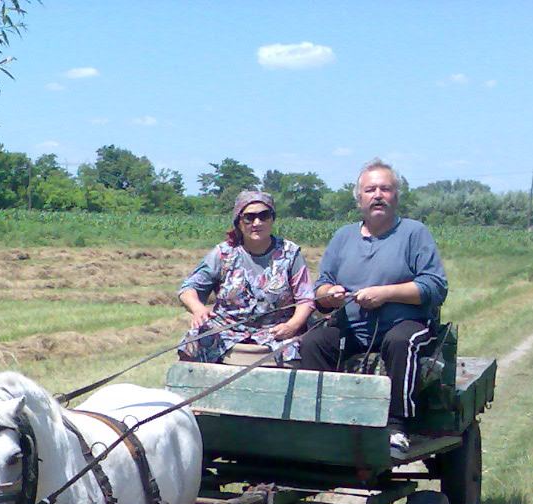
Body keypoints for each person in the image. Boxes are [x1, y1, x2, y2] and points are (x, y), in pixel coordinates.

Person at [300, 159, 448, 453]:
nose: (378, 195)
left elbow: (435, 286)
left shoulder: (414, 233)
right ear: (359, 199)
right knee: (313, 342)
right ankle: (323, 424)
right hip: (352, 327)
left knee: (399, 342)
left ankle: (396, 426)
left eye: (385, 189)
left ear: (396, 196)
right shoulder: (343, 236)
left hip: (406, 324)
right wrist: (331, 294)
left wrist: (386, 294)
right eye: (370, 189)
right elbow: (322, 287)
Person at [176, 190, 314, 365]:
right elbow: (188, 288)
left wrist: (293, 325)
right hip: (228, 329)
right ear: (239, 222)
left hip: (277, 331)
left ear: (272, 219)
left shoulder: (290, 253)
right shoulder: (224, 253)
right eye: (249, 217)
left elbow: (306, 299)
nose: (257, 223)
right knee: (194, 338)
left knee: (304, 346)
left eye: (264, 216)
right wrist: (198, 309)